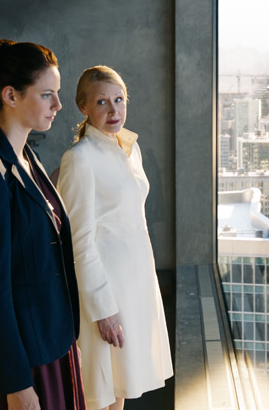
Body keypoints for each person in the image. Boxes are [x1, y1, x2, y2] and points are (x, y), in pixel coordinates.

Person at [0, 39, 85, 410]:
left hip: (51, 341)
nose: (58, 105)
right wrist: (17, 383)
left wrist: (68, 341)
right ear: (10, 95)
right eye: (47, 94)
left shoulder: (27, 157)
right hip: (20, 359)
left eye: (57, 93)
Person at [57, 66, 173, 410]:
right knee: (100, 392)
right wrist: (103, 309)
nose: (113, 110)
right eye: (102, 102)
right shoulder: (79, 159)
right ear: (84, 107)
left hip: (136, 284)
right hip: (106, 290)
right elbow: (78, 241)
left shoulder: (130, 150)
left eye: (119, 99)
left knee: (122, 387)